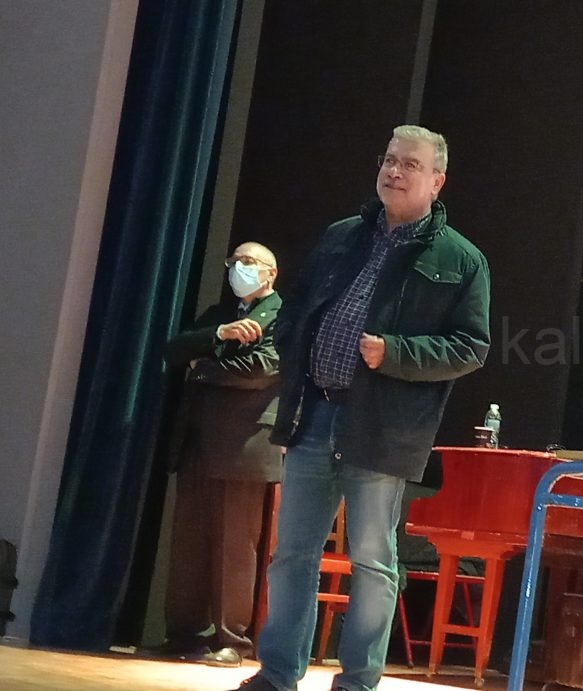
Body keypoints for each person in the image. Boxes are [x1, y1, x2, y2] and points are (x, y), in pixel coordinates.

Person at [235, 124, 491, 691]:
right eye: (389, 160)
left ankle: (357, 682)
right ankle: (277, 675)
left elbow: (470, 347)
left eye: (410, 165)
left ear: (437, 181)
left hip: (382, 430)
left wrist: (394, 353)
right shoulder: (342, 236)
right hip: (312, 416)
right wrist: (294, 347)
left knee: (373, 561)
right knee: (291, 554)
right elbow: (297, 307)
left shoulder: (461, 259)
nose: (394, 172)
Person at [155, 242, 282, 667]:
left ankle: (232, 639)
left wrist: (202, 368)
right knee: (188, 542)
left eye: (248, 262)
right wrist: (218, 335)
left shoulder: (283, 316)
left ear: (270, 273)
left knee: (235, 547)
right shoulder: (220, 314)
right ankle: (183, 633)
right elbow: (174, 349)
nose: (238, 268)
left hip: (243, 445)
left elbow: (263, 368)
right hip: (197, 440)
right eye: (234, 262)